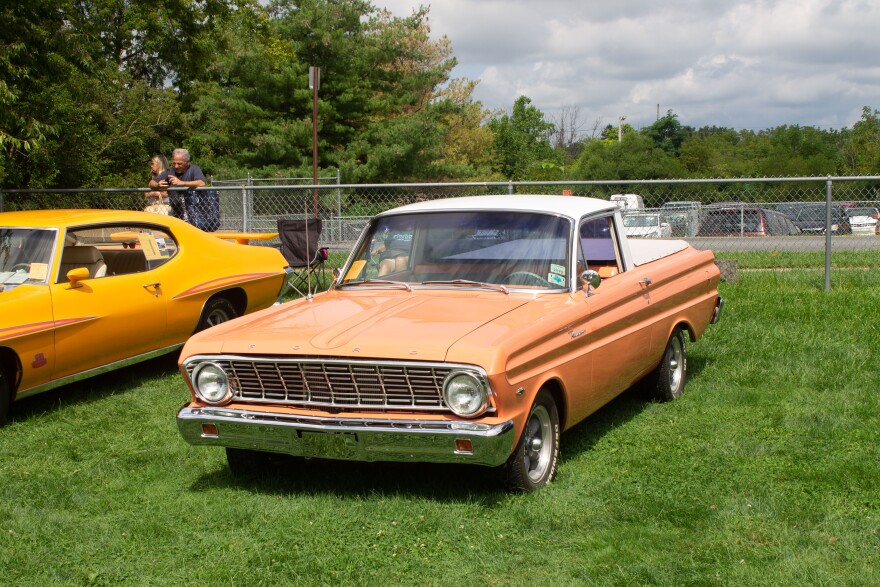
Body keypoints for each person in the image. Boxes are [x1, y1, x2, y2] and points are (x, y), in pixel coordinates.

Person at [149, 148, 218, 229]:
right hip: (177, 213)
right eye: (174, 163)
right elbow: (151, 183)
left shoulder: (194, 169)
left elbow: (201, 183)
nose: (176, 166)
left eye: (179, 164)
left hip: (195, 215)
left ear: (187, 162)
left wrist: (182, 183)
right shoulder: (169, 171)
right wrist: (157, 185)